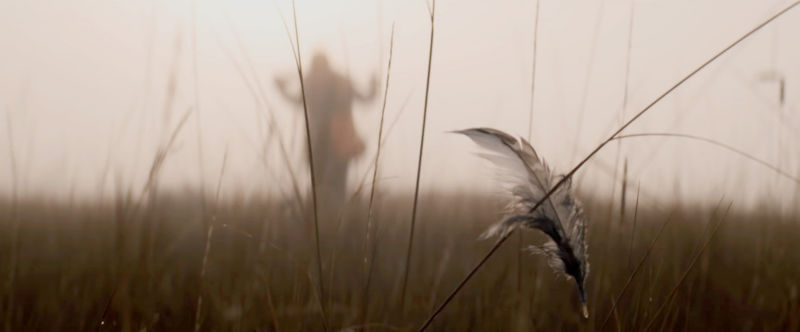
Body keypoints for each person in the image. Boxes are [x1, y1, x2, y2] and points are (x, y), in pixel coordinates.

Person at [275, 52, 378, 218]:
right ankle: (338, 221)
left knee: (320, 186)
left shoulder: (311, 82)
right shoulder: (342, 81)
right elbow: (367, 98)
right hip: (340, 143)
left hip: (317, 143)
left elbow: (296, 101)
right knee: (337, 186)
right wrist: (374, 84)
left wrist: (280, 88)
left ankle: (323, 222)